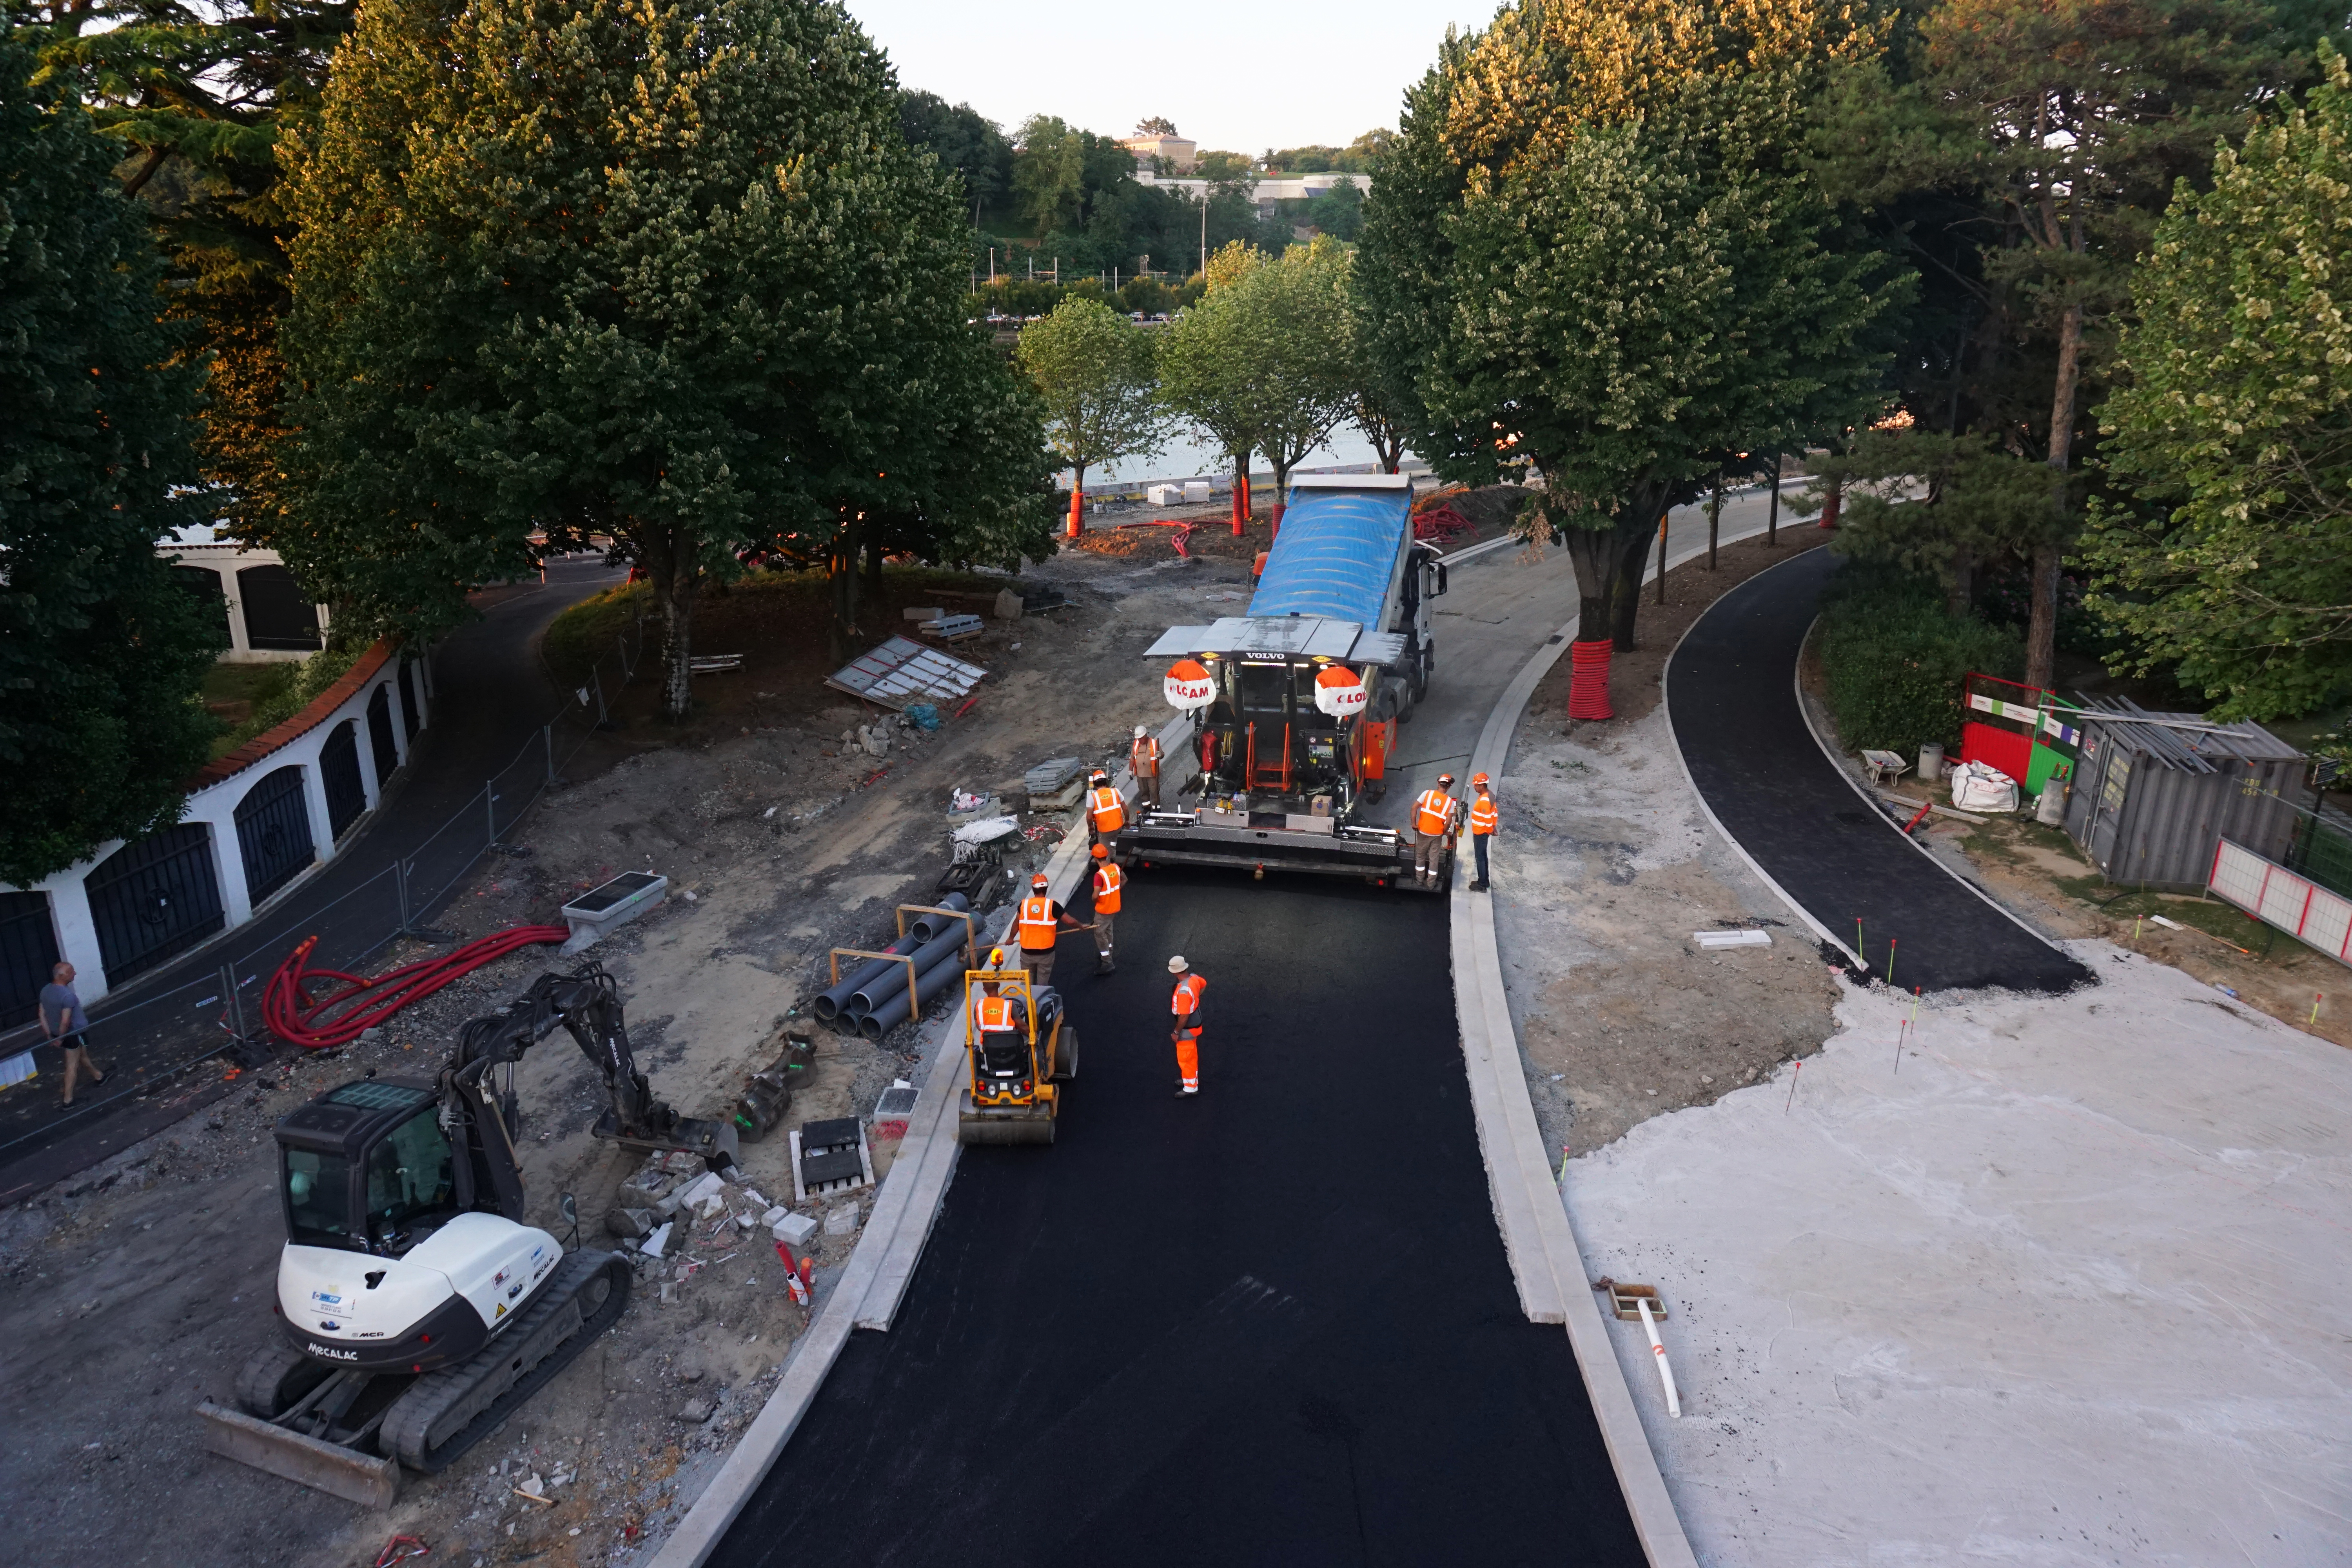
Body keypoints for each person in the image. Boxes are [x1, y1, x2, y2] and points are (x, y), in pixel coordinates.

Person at [39, 961, 104, 1109]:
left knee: (82, 1056)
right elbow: (66, 1021)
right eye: (71, 972)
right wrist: (61, 1040)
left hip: (60, 1034)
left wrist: (51, 1036)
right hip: (73, 1034)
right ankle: (68, 1101)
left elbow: (42, 1015)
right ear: (62, 976)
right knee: (72, 1065)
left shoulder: (46, 991)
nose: (74, 973)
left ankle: (99, 1076)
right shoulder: (68, 996)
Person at [1014, 873, 1084, 988]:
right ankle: (1040, 1002)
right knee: (1043, 984)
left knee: (1026, 983)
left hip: (1027, 953)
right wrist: (1080, 926)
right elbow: (1070, 921)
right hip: (1046, 954)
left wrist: (1011, 938)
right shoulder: (1053, 906)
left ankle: (1027, 1003)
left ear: (1033, 889)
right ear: (1046, 889)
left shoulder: (1024, 905)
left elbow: (1016, 923)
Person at [1411, 773, 1462, 887]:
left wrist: (1414, 824)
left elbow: (1414, 807)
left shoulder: (1427, 794)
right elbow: (1449, 822)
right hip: (1437, 835)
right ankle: (1431, 884)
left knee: (1420, 857)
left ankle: (1419, 881)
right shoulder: (1450, 802)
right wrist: (1443, 832)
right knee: (1434, 859)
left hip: (1423, 832)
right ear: (1449, 787)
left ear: (1438, 783)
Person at [1168, 955, 1206, 1096]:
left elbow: (1184, 1016)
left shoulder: (1184, 992)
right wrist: (1195, 1000)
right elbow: (1204, 984)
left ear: (1174, 972)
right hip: (1195, 1025)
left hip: (1187, 1030)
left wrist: (1176, 1033)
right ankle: (1191, 1080)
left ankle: (1191, 1088)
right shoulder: (1194, 978)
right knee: (1192, 1056)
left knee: (1186, 1059)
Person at [1089, 844, 1125, 974]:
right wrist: (1114, 893)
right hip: (1114, 908)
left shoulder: (1099, 875)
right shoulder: (1115, 867)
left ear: (1095, 858)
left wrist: (1096, 900)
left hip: (1104, 910)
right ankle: (1109, 952)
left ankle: (1107, 962)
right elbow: (1124, 879)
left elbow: (1095, 895)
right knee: (1108, 930)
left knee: (1099, 933)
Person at [1468, 773, 1498, 891]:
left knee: (1480, 858)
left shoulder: (1485, 800)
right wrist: (1493, 828)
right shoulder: (1490, 795)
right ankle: (1484, 881)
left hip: (1481, 833)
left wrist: (1491, 830)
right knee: (1483, 856)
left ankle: (1482, 884)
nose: (1475, 787)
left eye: (1476, 785)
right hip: (1483, 832)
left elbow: (1488, 818)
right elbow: (1494, 814)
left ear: (1482, 785)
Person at [1085, 769, 1126, 846]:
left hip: (1105, 831)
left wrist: (1090, 827)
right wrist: (1127, 821)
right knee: (1114, 843)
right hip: (1118, 827)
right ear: (1106, 782)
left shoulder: (1093, 797)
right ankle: (1112, 855)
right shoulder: (1116, 791)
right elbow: (1125, 809)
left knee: (1104, 849)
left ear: (1095, 784)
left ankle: (1108, 856)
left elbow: (1089, 817)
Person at [1129, 724, 1162, 809]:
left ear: (1146, 736)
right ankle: (1146, 807)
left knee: (1154, 791)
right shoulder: (1136, 744)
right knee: (1143, 791)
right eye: (1138, 739)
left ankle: (1156, 808)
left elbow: (1162, 754)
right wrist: (1130, 770)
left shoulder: (1154, 744)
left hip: (1152, 774)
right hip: (1140, 775)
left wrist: (1160, 755)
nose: (1140, 740)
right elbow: (1133, 758)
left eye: (1141, 738)